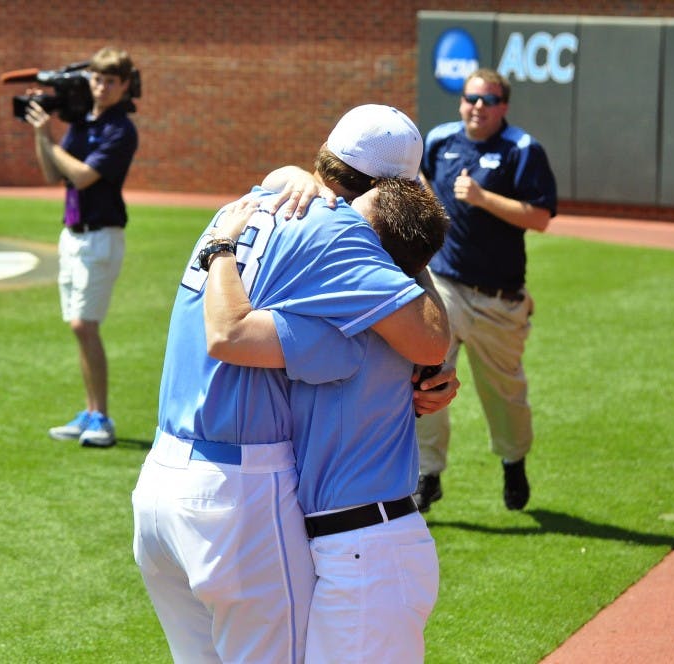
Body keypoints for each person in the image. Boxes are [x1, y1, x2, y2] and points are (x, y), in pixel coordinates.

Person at [131, 104, 451, 663]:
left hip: (159, 485)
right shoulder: (338, 231)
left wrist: (285, 172)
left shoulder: (245, 204)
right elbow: (428, 340)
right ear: (392, 193)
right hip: (237, 491)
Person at [201, 173, 453, 662]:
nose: (333, 224)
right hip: (359, 545)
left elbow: (228, 333)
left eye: (351, 224)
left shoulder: (345, 333)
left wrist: (222, 249)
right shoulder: (389, 325)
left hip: (368, 553)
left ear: (371, 257)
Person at [414, 68, 557, 512]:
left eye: (489, 100)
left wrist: (482, 198)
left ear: (503, 107)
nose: (478, 106)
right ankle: (427, 473)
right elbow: (418, 181)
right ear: (461, 102)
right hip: (445, 285)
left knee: (505, 393)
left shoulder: (522, 149)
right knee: (426, 376)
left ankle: (513, 461)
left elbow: (540, 217)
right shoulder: (439, 141)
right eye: (471, 97)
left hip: (498, 297)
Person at [23, 46, 139, 448]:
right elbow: (52, 172)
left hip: (101, 235)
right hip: (72, 233)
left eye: (109, 80)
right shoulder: (83, 123)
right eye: (96, 78)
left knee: (83, 325)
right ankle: (90, 412)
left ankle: (102, 418)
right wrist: (42, 135)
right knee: (79, 328)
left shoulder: (119, 129)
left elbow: (84, 175)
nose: (101, 86)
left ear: (123, 85)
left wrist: (53, 141)